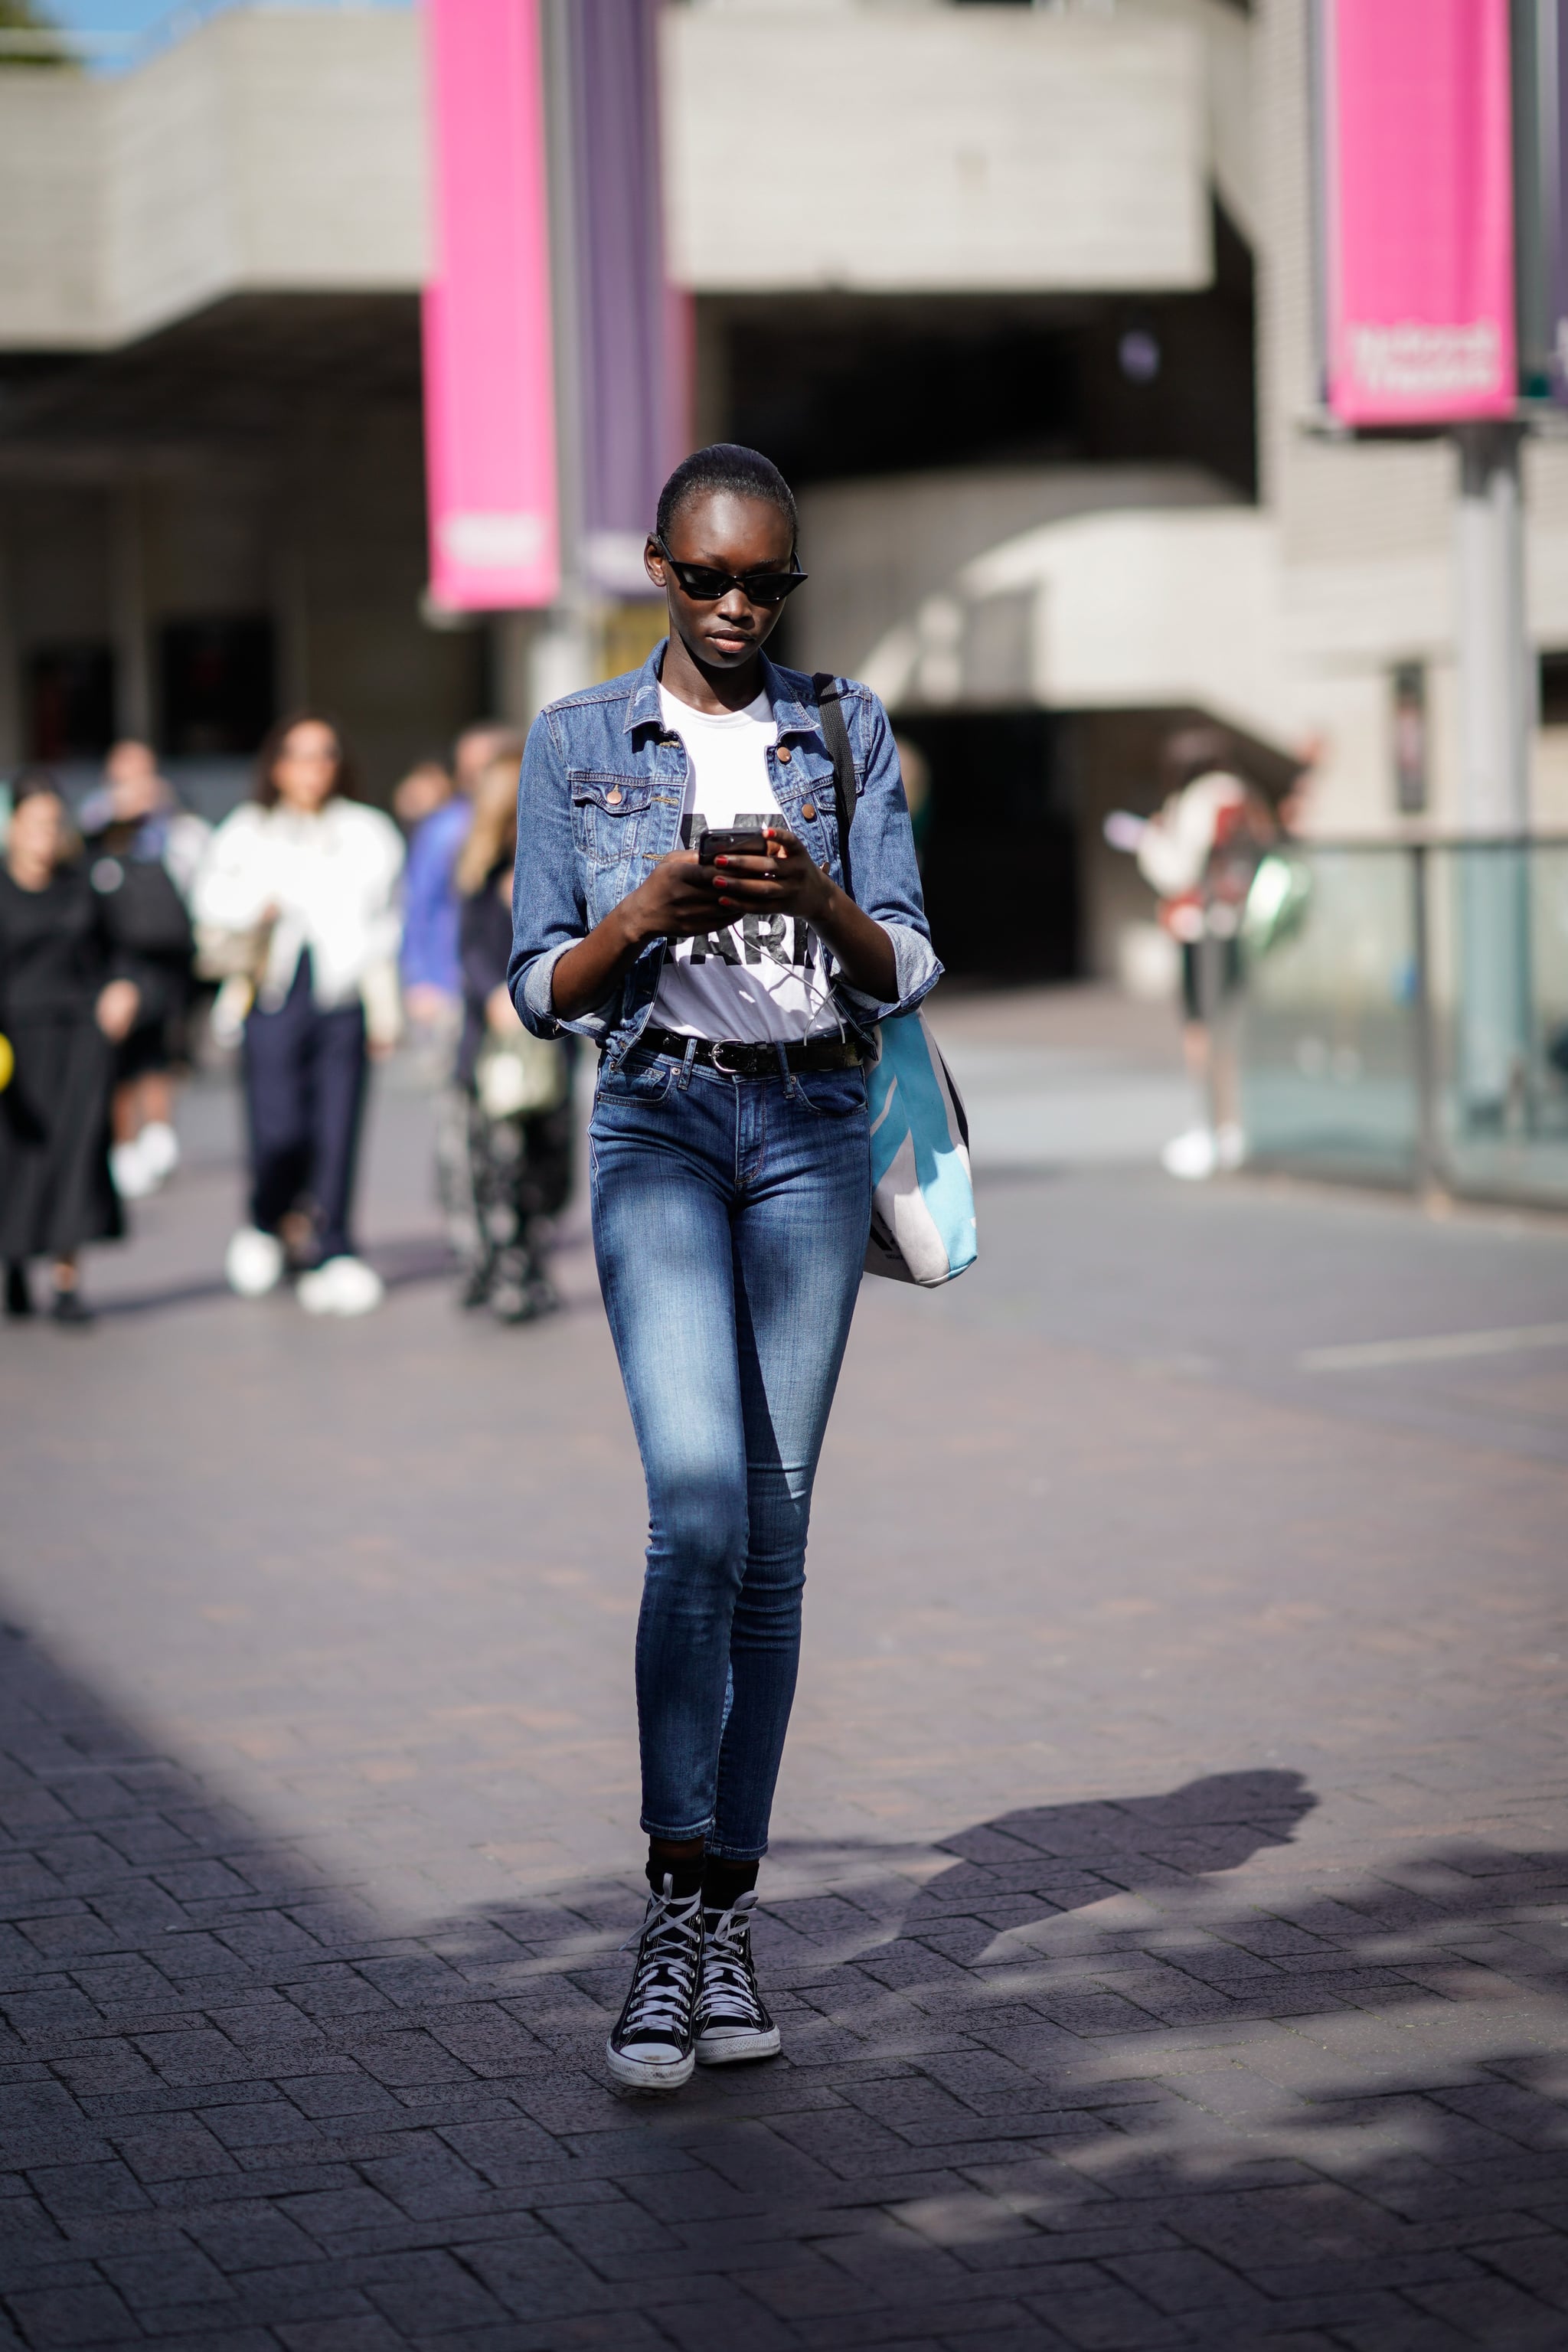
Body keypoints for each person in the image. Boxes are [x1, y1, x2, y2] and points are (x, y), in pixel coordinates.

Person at [511, 444, 939, 2091]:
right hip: (662, 1134)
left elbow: (903, 956)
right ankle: (669, 1897)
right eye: (708, 579)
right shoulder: (574, 743)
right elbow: (540, 982)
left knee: (774, 1537)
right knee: (695, 1508)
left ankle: (721, 1917)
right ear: (657, 571)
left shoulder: (845, 727)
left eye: (767, 581)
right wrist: (658, 909)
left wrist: (817, 894)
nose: (740, 607)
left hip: (816, 1139)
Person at [194, 714, 404, 1316]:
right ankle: (268, 1220)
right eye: (301, 755)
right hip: (271, 993)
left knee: (338, 1125)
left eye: (325, 755)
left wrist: (386, 1010)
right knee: (277, 1125)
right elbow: (209, 901)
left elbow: (386, 924)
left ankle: (333, 1244)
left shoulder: (367, 832)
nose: (314, 768)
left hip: (344, 997)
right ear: (277, 766)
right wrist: (251, 909)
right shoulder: (249, 831)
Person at [0, 771, 146, 1324]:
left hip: (81, 1037)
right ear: (13, 825)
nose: (43, 834)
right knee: (15, 1157)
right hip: (13, 1042)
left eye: (51, 824)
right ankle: (14, 1261)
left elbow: (122, 954)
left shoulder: (83, 884)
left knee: (76, 1153)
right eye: (32, 823)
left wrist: (123, 989)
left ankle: (67, 1280)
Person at [1105, 727, 1278, 1181]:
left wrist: (1150, 842)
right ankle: (1236, 1127)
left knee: (1200, 1029)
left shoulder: (1197, 801)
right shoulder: (1244, 794)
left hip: (1200, 927)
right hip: (1238, 922)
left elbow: (1178, 872)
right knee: (1233, 1024)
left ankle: (1207, 1129)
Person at [77, 739, 208, 1202]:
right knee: (118, 1057)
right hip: (112, 958)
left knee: (159, 1050)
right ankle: (124, 1143)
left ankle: (158, 1133)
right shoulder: (95, 820)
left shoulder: (176, 821)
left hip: (165, 960)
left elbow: (197, 870)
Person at [401, 725, 524, 1032]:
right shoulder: (449, 833)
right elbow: (420, 905)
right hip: (458, 988)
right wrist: (421, 978)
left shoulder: (535, 843)